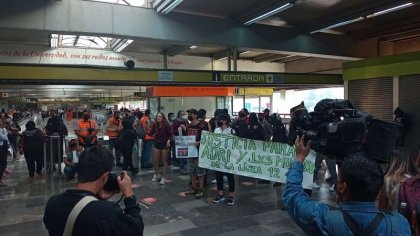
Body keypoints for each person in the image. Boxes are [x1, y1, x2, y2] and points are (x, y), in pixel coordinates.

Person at [283, 135, 411, 235]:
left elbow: (293, 195)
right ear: (378, 191)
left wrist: (299, 158)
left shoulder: (321, 217)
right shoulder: (400, 225)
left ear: (342, 187)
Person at [43, 146, 144, 236]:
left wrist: (98, 198)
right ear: (105, 177)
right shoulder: (106, 212)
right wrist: (129, 195)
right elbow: (135, 230)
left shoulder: (53, 203)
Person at [212, 113, 236, 206]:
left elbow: (236, 144)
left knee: (230, 177)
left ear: (225, 120)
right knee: (218, 176)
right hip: (218, 157)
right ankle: (220, 194)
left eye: (219, 119)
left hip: (229, 158)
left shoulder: (231, 131)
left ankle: (231, 196)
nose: (217, 121)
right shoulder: (216, 130)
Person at [184, 109, 207, 198]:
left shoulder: (202, 126)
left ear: (196, 115)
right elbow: (186, 137)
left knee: (200, 172)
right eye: (189, 114)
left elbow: (206, 138)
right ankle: (193, 188)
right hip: (190, 152)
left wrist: (199, 142)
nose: (189, 115)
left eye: (191, 114)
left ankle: (200, 189)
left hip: (199, 152)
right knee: (191, 171)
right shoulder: (188, 126)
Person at [150, 112, 172, 185]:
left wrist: (169, 141)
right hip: (157, 143)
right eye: (157, 116)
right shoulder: (155, 125)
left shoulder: (166, 125)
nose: (158, 117)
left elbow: (170, 135)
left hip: (164, 144)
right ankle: (156, 174)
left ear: (163, 117)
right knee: (155, 161)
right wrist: (147, 129)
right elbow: (150, 133)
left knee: (164, 161)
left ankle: (164, 177)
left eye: (159, 116)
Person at [172, 110, 188, 174]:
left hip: (186, 138)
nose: (183, 116)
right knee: (182, 154)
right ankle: (181, 167)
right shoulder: (176, 121)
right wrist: (180, 128)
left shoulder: (186, 121)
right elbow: (173, 131)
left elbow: (188, 129)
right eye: (181, 114)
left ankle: (185, 167)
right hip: (179, 138)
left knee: (186, 154)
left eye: (184, 114)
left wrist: (185, 128)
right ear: (179, 115)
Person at [0, 119, 9, 187]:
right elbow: (2, 137)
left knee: (4, 163)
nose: (1, 123)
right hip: (1, 148)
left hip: (4, 147)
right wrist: (5, 133)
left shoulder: (3, 129)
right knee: (2, 163)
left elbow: (6, 138)